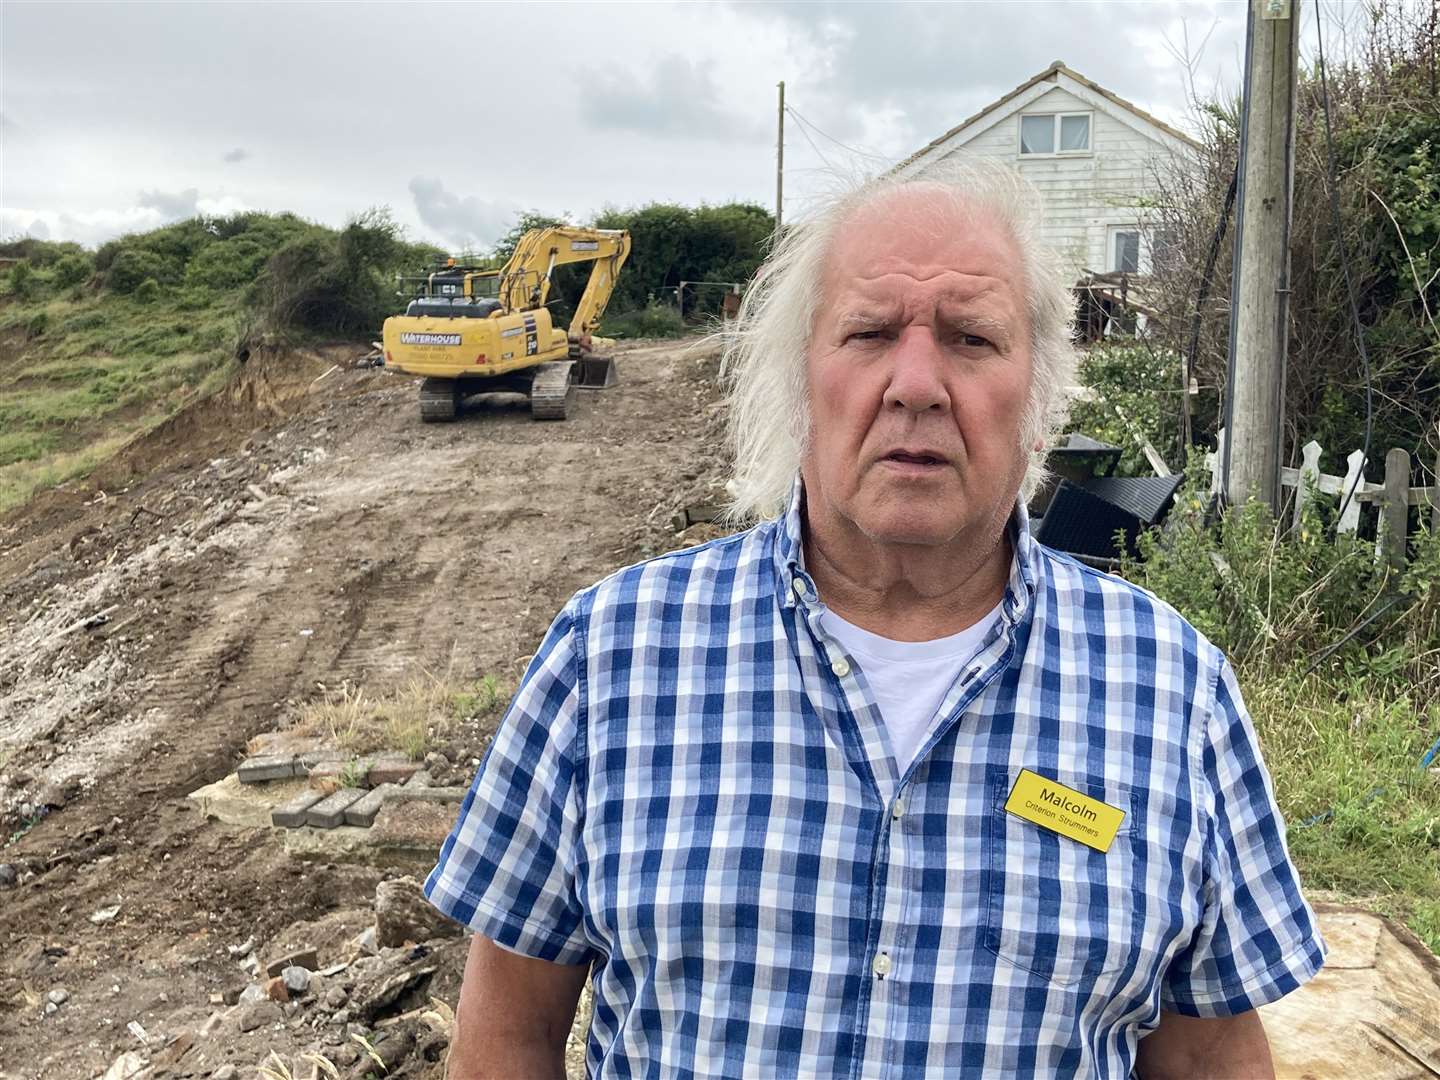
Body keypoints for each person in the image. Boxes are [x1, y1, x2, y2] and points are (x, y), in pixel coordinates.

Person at [424, 161, 1324, 1078]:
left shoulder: (1175, 692)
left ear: (1041, 399)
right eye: (869, 333)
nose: (917, 384)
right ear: (800, 380)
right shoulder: (610, 656)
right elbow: (506, 1034)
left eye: (973, 340)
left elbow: (1211, 1054)